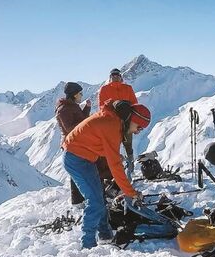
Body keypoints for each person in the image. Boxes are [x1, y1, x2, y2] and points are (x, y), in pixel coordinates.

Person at [62, 100, 151, 248]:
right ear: (132, 119)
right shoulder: (112, 125)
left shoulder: (113, 120)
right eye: (139, 127)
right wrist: (131, 192)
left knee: (99, 198)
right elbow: (115, 167)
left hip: (83, 157)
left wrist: (113, 154)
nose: (137, 131)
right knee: (95, 201)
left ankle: (105, 235)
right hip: (76, 159)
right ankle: (87, 244)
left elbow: (96, 141)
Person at [55, 82, 95, 205]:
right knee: (76, 173)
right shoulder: (64, 110)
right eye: (80, 93)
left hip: (78, 143)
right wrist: (88, 123)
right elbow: (70, 129)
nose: (81, 95)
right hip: (71, 145)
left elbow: (80, 119)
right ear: (74, 95)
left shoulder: (72, 106)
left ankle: (82, 197)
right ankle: (77, 201)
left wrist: (87, 108)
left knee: (81, 170)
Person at [98, 68, 138, 164]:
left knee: (128, 144)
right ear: (110, 77)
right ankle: (116, 168)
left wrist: (135, 122)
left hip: (127, 121)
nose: (115, 76)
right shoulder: (104, 89)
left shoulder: (128, 88)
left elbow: (134, 104)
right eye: (113, 75)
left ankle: (130, 165)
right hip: (112, 123)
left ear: (121, 77)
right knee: (113, 146)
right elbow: (102, 107)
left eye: (117, 75)